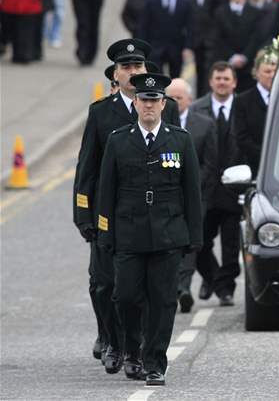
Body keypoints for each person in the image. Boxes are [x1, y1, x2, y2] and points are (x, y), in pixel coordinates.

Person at [73, 39, 179, 376]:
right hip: (110, 214)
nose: (133, 72)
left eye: (138, 67)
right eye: (126, 67)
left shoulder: (165, 106)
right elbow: (87, 169)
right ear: (115, 75)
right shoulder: (101, 112)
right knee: (105, 284)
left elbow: (177, 158)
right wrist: (84, 215)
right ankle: (111, 340)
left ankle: (138, 348)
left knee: (143, 288)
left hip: (150, 215)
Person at [96, 72, 202, 387]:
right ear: (137, 103)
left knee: (163, 301)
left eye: (155, 100)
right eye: (144, 100)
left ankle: (155, 362)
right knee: (126, 297)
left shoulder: (179, 140)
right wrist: (105, 234)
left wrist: (194, 237)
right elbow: (106, 192)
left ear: (163, 103)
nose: (149, 106)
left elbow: (192, 193)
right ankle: (133, 348)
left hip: (168, 235)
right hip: (129, 235)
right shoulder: (119, 140)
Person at [190, 62, 242, 307]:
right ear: (210, 82)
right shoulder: (196, 109)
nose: (222, 82)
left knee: (232, 246)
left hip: (235, 187)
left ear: (234, 83)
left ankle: (226, 289)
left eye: (226, 79)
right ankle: (213, 278)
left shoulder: (243, 108)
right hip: (206, 189)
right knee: (198, 241)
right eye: (218, 78)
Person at [165, 78, 217, 314]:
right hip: (167, 195)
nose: (175, 102)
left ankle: (183, 287)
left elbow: (210, 162)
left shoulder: (205, 124)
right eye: (171, 97)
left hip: (198, 195)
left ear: (189, 99)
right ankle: (176, 286)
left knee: (191, 240)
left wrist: (193, 185)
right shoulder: (159, 124)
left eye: (179, 97)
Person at [138, 0, 193, 78]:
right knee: (156, 77)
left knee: (176, 78)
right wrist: (143, 46)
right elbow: (144, 25)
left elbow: (190, 25)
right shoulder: (152, 1)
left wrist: (188, 46)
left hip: (176, 47)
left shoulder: (184, 2)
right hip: (155, 47)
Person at [215, 0, 266, 92]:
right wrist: (232, 57)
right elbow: (218, 38)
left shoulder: (255, 12)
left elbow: (256, 37)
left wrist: (245, 56)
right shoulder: (220, 12)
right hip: (227, 62)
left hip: (248, 65)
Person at [232, 50, 276, 174]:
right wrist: (267, 156)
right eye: (267, 71)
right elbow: (241, 138)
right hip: (254, 167)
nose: (272, 75)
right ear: (256, 73)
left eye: (275, 71)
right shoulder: (243, 101)